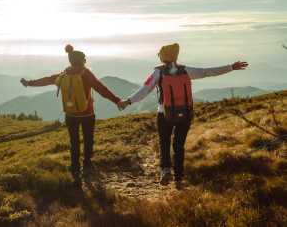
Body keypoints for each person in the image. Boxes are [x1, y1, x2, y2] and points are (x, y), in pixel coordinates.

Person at [118, 43, 248, 187]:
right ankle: (179, 177)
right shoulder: (186, 71)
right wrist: (231, 67)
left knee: (164, 142)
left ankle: (165, 170)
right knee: (179, 145)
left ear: (163, 57)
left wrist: (128, 101)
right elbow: (207, 72)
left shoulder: (158, 73)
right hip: (185, 113)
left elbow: (144, 90)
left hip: (164, 113)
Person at [21, 44, 123, 182]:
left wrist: (29, 83)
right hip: (87, 114)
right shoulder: (85, 74)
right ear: (82, 61)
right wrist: (116, 100)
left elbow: (47, 79)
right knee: (88, 139)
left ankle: (75, 167)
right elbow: (101, 89)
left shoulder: (64, 75)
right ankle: (87, 164)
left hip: (70, 115)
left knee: (74, 142)